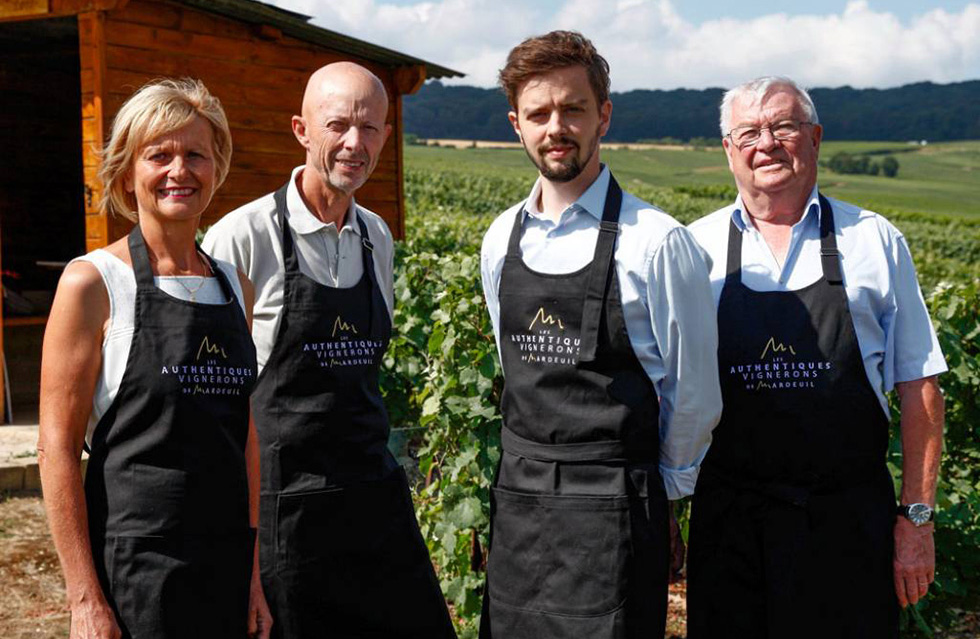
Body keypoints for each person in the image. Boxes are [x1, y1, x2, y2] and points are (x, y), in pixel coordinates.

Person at [478, 31, 722, 638]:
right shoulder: (499, 239)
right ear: (516, 124)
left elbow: (693, 396)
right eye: (538, 113)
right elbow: (515, 368)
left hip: (613, 506)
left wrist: (654, 499)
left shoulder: (657, 242)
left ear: (603, 116)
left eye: (573, 108)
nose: (555, 127)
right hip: (520, 499)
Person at [686, 76, 947, 639]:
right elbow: (670, 391)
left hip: (847, 523)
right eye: (748, 131)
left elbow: (919, 387)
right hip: (731, 523)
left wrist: (917, 519)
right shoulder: (693, 249)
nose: (767, 143)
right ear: (728, 149)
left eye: (784, 126)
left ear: (815, 137)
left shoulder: (874, 241)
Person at [203, 62, 456, 638]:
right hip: (284, 508)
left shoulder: (377, 236)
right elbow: (219, 404)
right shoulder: (241, 238)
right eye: (337, 125)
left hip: (372, 496)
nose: (354, 143)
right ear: (301, 130)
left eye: (370, 129)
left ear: (387, 137)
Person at [38, 78, 271, 639]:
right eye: (158, 155)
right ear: (126, 171)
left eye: (196, 154)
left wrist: (254, 575)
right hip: (134, 571)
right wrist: (84, 601)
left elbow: (245, 440)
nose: (179, 171)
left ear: (216, 168)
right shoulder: (93, 282)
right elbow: (57, 449)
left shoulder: (237, 285)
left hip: (224, 564)